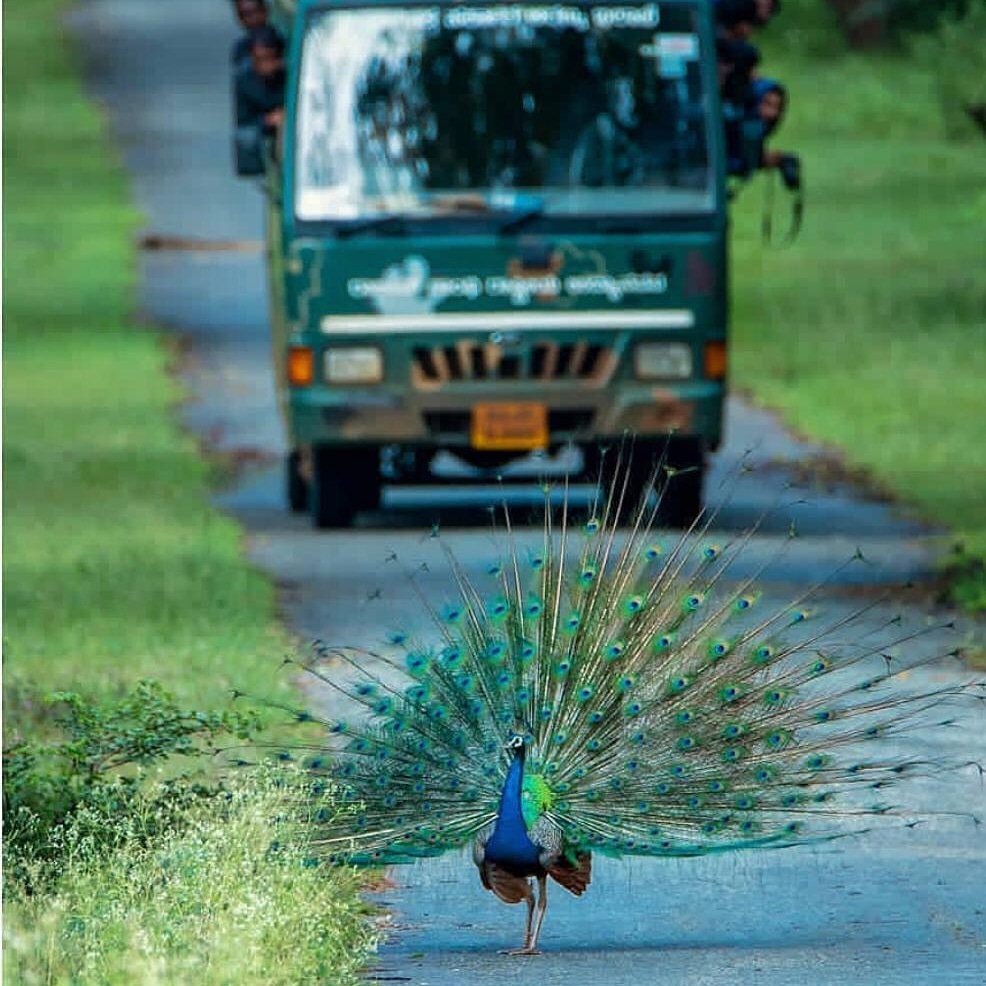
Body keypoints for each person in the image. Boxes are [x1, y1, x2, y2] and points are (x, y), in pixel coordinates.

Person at [235, 26, 287, 140]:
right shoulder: (245, 82)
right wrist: (268, 120)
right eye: (259, 59)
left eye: (269, 58)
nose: (266, 65)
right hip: (263, 130)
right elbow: (244, 121)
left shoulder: (290, 76)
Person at [230, 0, 270, 69]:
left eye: (256, 11)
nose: (254, 18)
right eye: (246, 14)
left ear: (266, 10)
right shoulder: (240, 48)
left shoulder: (282, 40)